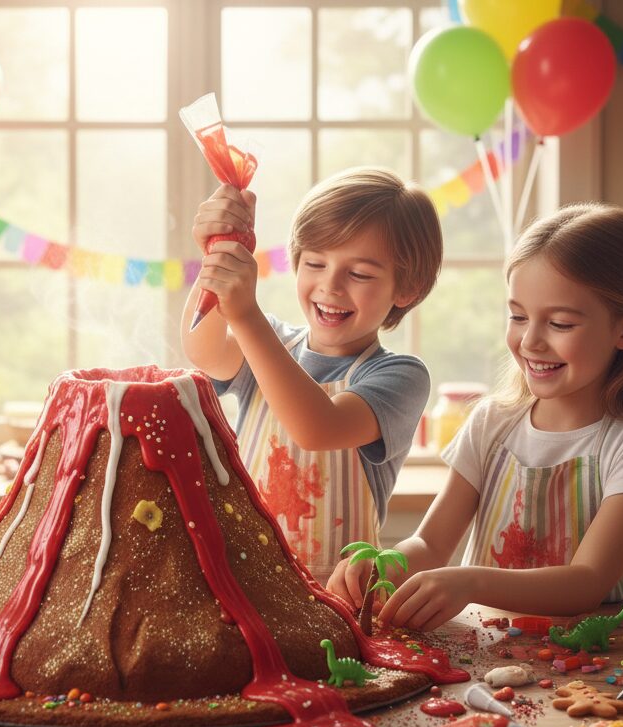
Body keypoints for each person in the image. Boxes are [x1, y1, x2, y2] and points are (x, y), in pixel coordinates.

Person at [328, 203, 623, 630]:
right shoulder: (492, 422)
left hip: (588, 660)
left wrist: (468, 583)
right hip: (482, 653)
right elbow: (430, 544)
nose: (530, 341)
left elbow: (587, 582)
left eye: (559, 323)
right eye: (518, 316)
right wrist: (383, 566)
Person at [182, 167, 444, 582]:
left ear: (407, 289)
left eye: (359, 273)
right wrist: (219, 256)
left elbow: (318, 427)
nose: (330, 285)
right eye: (315, 263)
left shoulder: (400, 376)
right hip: (248, 581)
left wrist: (247, 316)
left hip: (338, 596)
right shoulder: (267, 343)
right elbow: (205, 350)